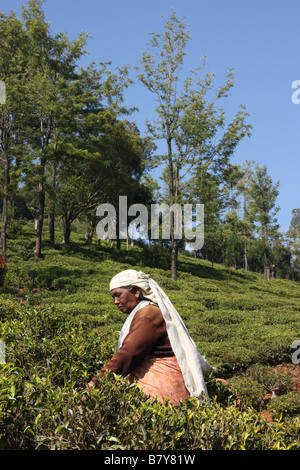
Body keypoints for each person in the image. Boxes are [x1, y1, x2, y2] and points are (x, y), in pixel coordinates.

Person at [87, 269, 213, 405]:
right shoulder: (146, 311)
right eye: (113, 297)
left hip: (161, 389)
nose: (115, 302)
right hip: (163, 385)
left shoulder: (148, 314)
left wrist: (97, 383)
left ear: (136, 291)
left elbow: (129, 353)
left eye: (118, 295)